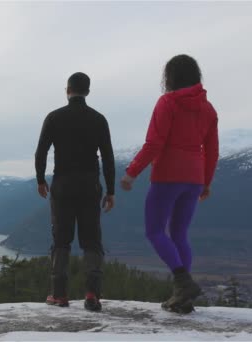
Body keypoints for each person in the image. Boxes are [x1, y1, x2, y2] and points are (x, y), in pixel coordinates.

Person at [121, 54, 219, 313]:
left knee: (154, 231)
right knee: (179, 234)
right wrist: (206, 182)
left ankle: (182, 282)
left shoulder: (168, 102)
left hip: (167, 176)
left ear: (171, 77)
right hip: (195, 178)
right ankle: (182, 298)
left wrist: (131, 173)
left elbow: (154, 143)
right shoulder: (209, 110)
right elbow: (212, 150)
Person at [35, 72, 116, 312]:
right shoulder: (99, 119)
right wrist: (110, 190)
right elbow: (108, 158)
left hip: (62, 185)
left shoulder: (54, 117)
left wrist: (41, 179)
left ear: (67, 90)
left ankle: (58, 294)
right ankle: (92, 294)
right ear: (88, 91)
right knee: (91, 239)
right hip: (90, 186)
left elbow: (41, 152)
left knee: (61, 239)